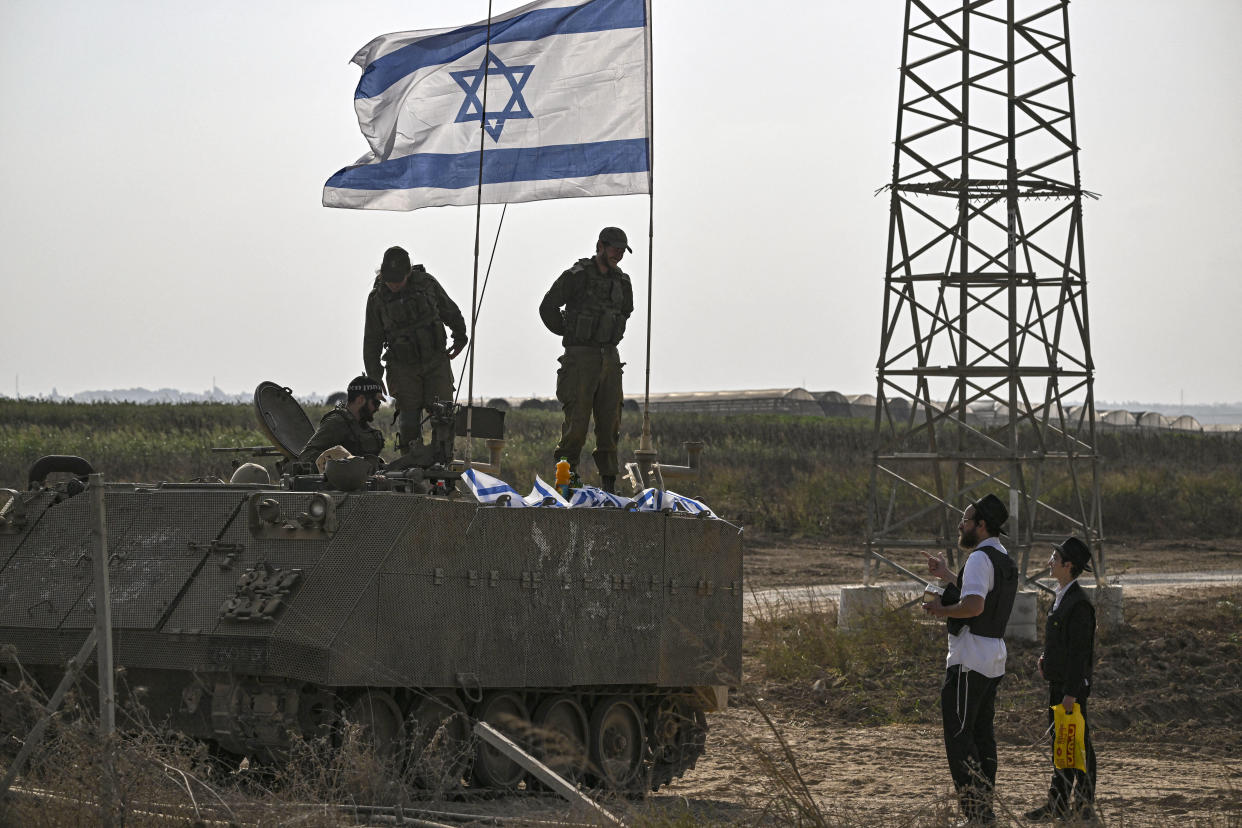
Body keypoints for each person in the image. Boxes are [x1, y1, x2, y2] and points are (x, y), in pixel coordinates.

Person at [922, 493, 1018, 826]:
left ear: (981, 525)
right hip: (992, 657)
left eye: (965, 520)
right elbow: (980, 594)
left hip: (969, 659)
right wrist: (949, 575)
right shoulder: (1002, 557)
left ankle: (978, 816)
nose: (960, 525)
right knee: (981, 736)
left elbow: (974, 605)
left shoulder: (978, 559)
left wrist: (940, 610)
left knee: (961, 739)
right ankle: (985, 811)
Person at [538, 227, 635, 493]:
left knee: (610, 423)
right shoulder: (576, 277)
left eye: (621, 250)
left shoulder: (622, 282)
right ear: (600, 246)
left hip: (610, 358)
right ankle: (565, 481)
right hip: (580, 359)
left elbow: (626, 311)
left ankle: (609, 484)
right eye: (614, 249)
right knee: (576, 424)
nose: (618, 255)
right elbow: (547, 307)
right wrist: (569, 332)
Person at [363, 245, 468, 454]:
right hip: (403, 367)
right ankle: (410, 468)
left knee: (444, 416)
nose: (393, 285)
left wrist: (460, 336)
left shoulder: (427, 284)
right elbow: (372, 342)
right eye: (389, 280)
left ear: (409, 273)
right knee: (409, 421)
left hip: (435, 360)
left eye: (398, 280)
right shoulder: (377, 299)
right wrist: (375, 378)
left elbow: (450, 310)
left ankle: (441, 463)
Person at [1025, 536, 1097, 823]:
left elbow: (1080, 653)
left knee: (1078, 746)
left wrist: (1071, 692)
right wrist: (1046, 658)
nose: (1049, 562)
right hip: (1060, 685)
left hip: (1071, 690)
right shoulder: (1063, 595)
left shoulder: (1079, 604)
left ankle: (1083, 805)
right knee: (1064, 746)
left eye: (1055, 559)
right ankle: (1059, 804)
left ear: (1069, 566)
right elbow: (1060, 642)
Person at [298, 375, 387, 467]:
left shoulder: (361, 426)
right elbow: (306, 456)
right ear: (360, 400)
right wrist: (343, 460)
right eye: (376, 403)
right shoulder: (336, 422)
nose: (377, 409)